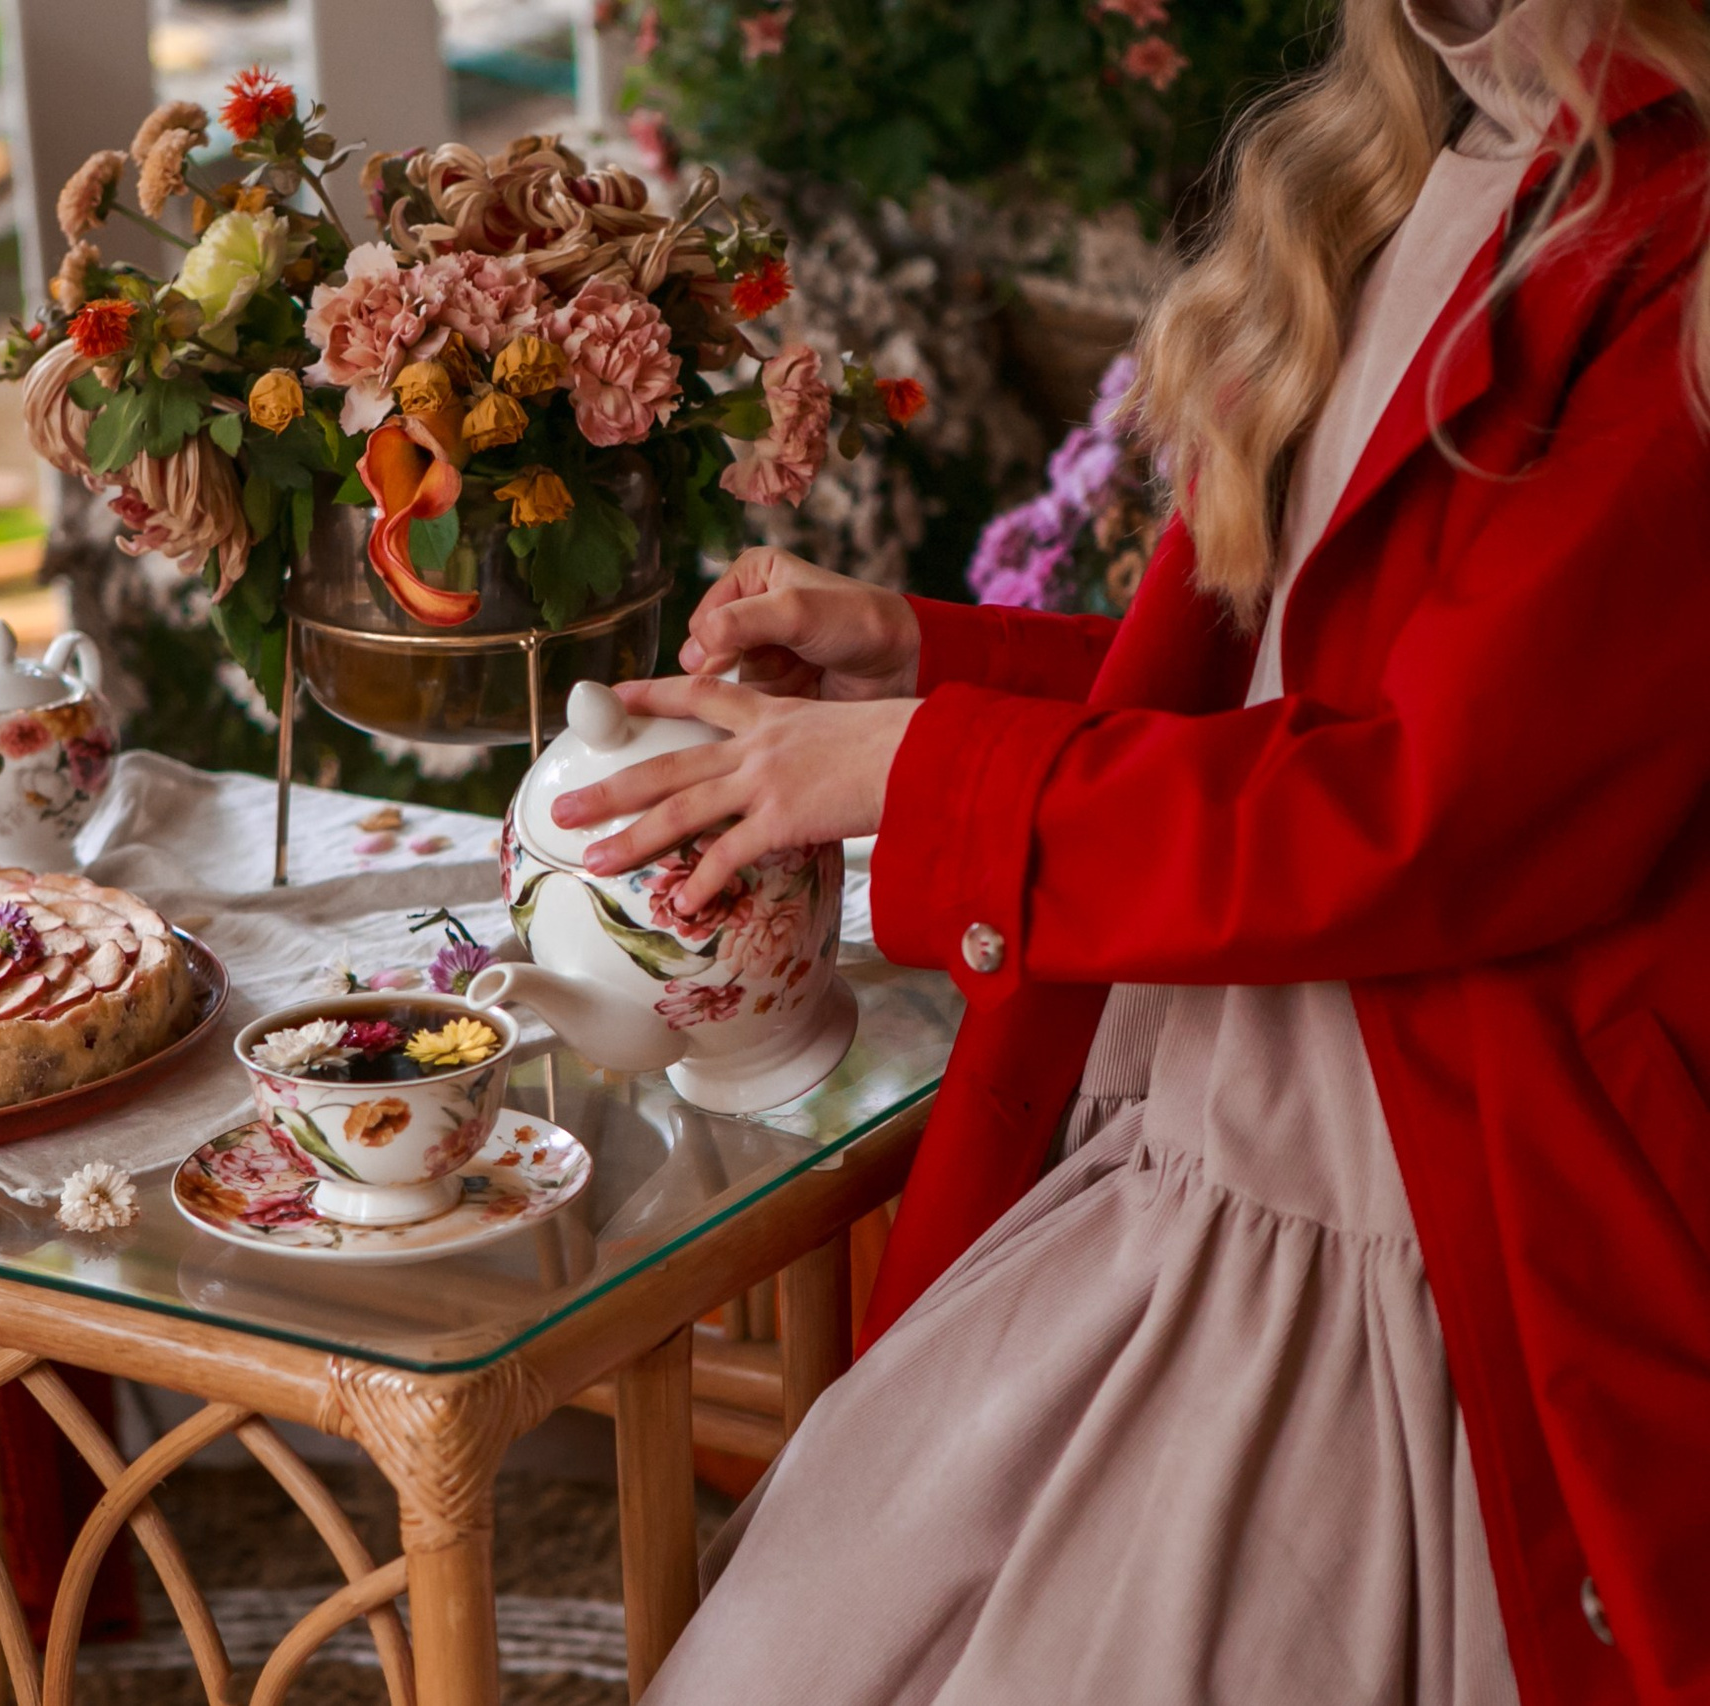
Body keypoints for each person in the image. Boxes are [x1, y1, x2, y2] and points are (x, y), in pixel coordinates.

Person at [552, 0, 1710, 1699]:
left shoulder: (1671, 256)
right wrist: (928, 660)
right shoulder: (1421, 158)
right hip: (1211, 1137)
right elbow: (1288, 703)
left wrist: (921, 769)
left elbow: (1425, 815)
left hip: (1428, 1224)